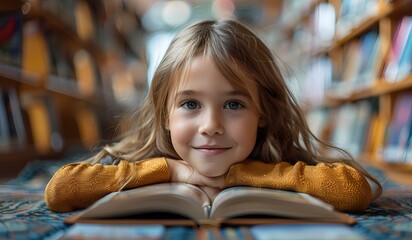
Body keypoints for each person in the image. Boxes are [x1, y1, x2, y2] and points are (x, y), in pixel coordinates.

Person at [45, 19, 382, 213]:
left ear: (263, 112)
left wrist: (246, 173)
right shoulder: (150, 159)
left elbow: (354, 191)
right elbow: (59, 190)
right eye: (190, 104)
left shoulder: (278, 159)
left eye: (233, 105)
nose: (211, 127)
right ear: (165, 114)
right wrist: (171, 169)